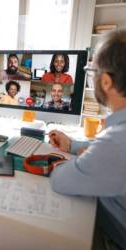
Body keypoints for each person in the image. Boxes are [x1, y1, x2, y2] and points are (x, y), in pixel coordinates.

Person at [48, 29, 126, 249]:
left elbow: (60, 180)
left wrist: (86, 159)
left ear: (107, 82)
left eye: (93, 70)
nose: (91, 76)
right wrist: (74, 146)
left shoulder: (117, 143)